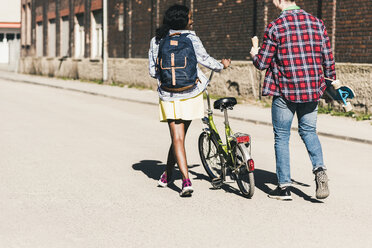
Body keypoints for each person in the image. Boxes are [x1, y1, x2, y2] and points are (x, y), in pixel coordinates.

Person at [250, 0, 335, 200]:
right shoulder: (317, 23)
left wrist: (255, 53)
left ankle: (284, 187)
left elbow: (262, 63)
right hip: (312, 88)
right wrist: (330, 82)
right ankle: (320, 170)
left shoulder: (275, 26)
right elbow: (328, 58)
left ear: (279, 1)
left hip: (285, 89)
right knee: (308, 131)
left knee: (282, 136)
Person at [149, 4, 231, 197]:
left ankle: (168, 174)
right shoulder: (191, 38)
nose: (192, 20)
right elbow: (206, 60)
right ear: (183, 20)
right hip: (190, 93)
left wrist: (167, 80)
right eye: (190, 17)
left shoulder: (157, 40)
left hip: (168, 95)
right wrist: (222, 65)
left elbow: (153, 71)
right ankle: (186, 181)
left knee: (177, 138)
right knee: (179, 136)